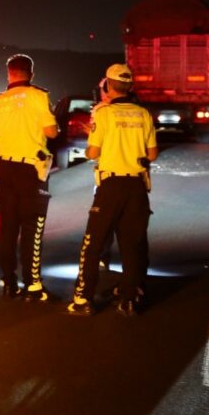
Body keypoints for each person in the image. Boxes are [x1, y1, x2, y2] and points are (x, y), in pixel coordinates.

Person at [66, 63, 157, 317]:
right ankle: (129, 299)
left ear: (108, 85)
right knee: (132, 245)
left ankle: (83, 299)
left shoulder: (104, 114)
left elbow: (93, 152)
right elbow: (153, 153)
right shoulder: (143, 114)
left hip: (110, 186)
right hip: (137, 186)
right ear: (130, 86)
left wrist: (93, 140)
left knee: (93, 243)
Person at [0, 54, 59, 301]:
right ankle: (33, 285)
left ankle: (9, 283)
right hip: (31, 171)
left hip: (6, 169)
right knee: (32, 227)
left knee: (8, 228)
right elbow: (52, 132)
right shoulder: (39, 97)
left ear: (9, 74)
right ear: (31, 73)